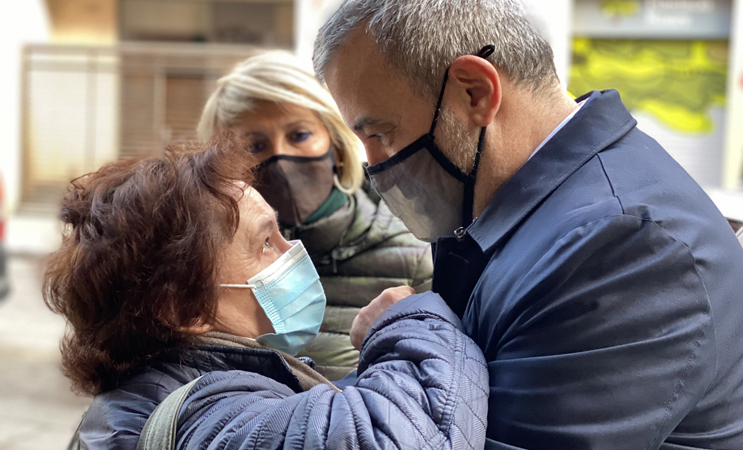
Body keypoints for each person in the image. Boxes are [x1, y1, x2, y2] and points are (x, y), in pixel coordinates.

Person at [312, 1, 743, 448]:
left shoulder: (623, 245)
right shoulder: (532, 206)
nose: (374, 164)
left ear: (475, 93)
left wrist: (403, 337)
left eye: (381, 134)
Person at [43, 140, 488, 449]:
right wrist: (408, 323)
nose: (293, 253)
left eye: (284, 234)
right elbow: (402, 437)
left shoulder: (150, 398)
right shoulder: (204, 418)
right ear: (183, 307)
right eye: (264, 244)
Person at [197, 52, 433, 380]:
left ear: (335, 146)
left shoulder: (417, 253)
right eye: (255, 146)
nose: (281, 158)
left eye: (299, 135)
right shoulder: (210, 273)